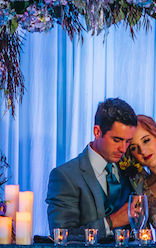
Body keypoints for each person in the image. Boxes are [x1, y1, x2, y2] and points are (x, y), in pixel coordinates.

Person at [46, 98, 138, 235]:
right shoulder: (64, 176)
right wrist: (111, 222)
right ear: (97, 132)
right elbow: (62, 236)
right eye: (117, 140)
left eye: (128, 142)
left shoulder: (132, 168)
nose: (123, 149)